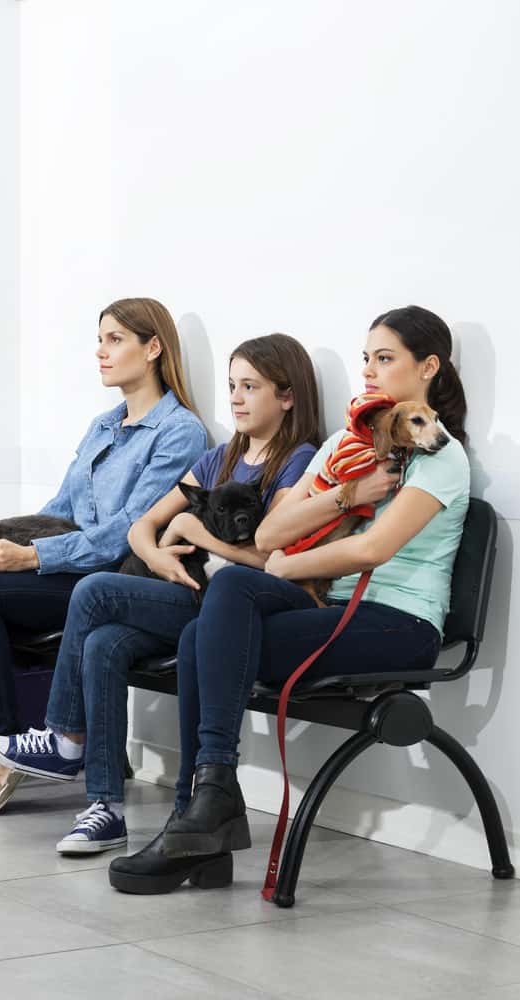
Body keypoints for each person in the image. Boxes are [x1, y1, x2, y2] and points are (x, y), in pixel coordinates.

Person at [108, 304, 470, 894]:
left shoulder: (439, 456)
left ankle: (199, 816)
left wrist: (285, 564)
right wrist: (348, 491)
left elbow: (370, 550)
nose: (369, 372)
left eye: (385, 359)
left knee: (208, 631)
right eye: (366, 359)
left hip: (399, 621)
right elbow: (270, 532)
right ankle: (206, 806)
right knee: (220, 601)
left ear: (429, 368)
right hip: (333, 608)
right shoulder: (345, 446)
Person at [0, 333, 321, 852]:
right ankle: (104, 808)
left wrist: (192, 530)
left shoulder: (297, 462)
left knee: (94, 591)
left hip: (224, 609)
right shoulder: (219, 458)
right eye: (232, 386)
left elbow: (272, 558)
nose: (235, 398)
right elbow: (145, 523)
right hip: (182, 589)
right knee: (101, 644)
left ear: (287, 396)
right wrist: (160, 551)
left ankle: (64, 737)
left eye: (250, 387)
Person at [0, 297, 207, 816]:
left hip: (108, 578)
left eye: (115, 340)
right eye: (99, 339)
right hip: (67, 563)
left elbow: (127, 532)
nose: (100, 352)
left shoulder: (180, 433)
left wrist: (30, 558)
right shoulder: (102, 426)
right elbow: (57, 509)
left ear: (153, 348)